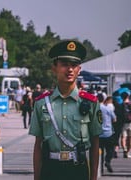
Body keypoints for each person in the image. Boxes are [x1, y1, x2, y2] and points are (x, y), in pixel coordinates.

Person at [29, 40, 103, 180]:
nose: (69, 70)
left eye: (74, 65)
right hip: (50, 168)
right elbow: (38, 145)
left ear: (79, 69)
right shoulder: (42, 103)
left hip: (78, 169)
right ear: (54, 68)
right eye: (64, 65)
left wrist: (93, 177)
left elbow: (95, 143)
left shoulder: (90, 102)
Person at [98, 95, 116, 173]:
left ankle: (99, 165)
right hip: (108, 133)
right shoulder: (108, 108)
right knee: (110, 150)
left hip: (98, 134)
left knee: (98, 150)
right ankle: (107, 161)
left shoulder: (95, 108)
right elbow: (114, 119)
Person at [121, 92, 131, 158]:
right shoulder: (130, 104)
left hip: (123, 122)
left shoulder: (121, 104)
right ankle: (127, 152)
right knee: (130, 138)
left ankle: (124, 149)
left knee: (123, 137)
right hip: (130, 122)